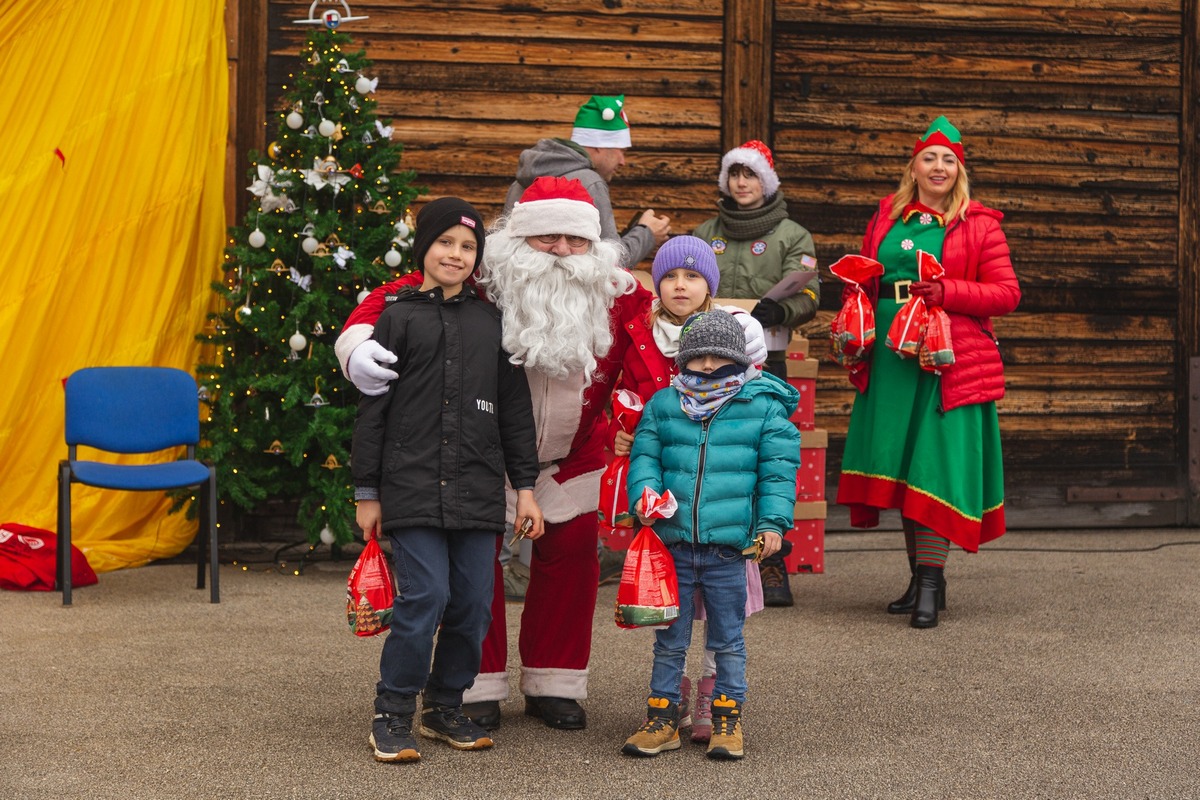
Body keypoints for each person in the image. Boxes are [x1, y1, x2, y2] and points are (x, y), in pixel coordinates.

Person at [338, 176, 641, 732]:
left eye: (575, 241)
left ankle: (555, 682)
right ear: (519, 241)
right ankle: (474, 684)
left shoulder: (617, 294)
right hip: (483, 459)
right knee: (481, 575)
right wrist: (356, 344)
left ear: (595, 247)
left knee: (572, 559)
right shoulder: (485, 284)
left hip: (574, 458)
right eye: (546, 237)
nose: (562, 252)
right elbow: (401, 294)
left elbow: (676, 313)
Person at [351, 197, 545, 763]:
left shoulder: (492, 323)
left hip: (478, 490)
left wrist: (525, 488)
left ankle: (443, 706)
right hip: (410, 487)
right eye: (445, 243)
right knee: (425, 597)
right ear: (424, 248)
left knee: (474, 605)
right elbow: (373, 411)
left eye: (467, 247)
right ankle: (391, 713)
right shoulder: (398, 317)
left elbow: (513, 412)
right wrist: (368, 492)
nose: (456, 255)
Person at [835, 115, 1021, 629]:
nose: (938, 167)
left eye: (949, 160)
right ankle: (920, 580)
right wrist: (857, 296)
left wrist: (950, 292)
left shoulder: (980, 224)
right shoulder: (886, 218)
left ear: (959, 171)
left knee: (931, 467)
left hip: (947, 357)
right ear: (913, 166)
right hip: (893, 354)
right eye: (929, 158)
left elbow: (1007, 294)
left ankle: (933, 585)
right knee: (902, 469)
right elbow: (874, 276)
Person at [608, 235, 768, 744]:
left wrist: (767, 521)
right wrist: (619, 438)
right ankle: (666, 706)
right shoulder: (638, 333)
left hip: (722, 516)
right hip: (670, 512)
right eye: (671, 276)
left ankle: (714, 703)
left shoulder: (739, 344)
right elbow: (613, 393)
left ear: (710, 287)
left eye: (693, 276)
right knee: (670, 619)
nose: (681, 285)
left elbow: (759, 442)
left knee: (722, 621)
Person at [620, 310, 800, 761]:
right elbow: (645, 457)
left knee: (728, 641)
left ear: (738, 359)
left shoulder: (761, 408)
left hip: (727, 550)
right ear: (683, 359)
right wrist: (644, 495)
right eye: (696, 356)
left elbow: (777, 473)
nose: (705, 365)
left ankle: (726, 719)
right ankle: (662, 718)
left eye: (717, 356)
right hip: (673, 544)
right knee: (668, 638)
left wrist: (772, 525)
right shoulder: (664, 404)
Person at [691, 139, 820, 607]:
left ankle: (772, 561)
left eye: (751, 174)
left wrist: (778, 310)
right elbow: (683, 281)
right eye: (734, 174)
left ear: (766, 182)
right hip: (707, 363)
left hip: (768, 360)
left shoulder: (792, 235)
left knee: (765, 456)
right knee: (718, 457)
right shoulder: (706, 232)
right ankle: (705, 559)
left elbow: (811, 295)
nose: (741, 182)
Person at [504, 94, 671, 267]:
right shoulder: (589, 181)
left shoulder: (518, 183)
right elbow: (612, 261)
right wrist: (647, 233)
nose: (623, 161)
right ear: (599, 144)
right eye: (621, 150)